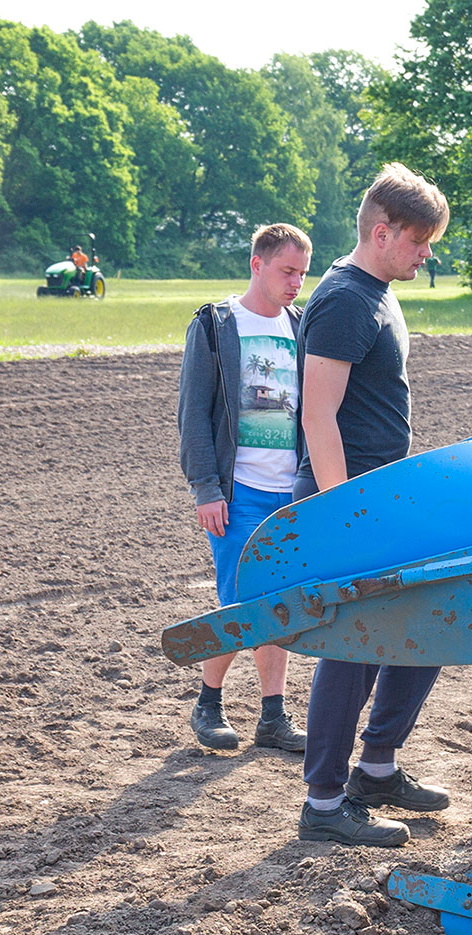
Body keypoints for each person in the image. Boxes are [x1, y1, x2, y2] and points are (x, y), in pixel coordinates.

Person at [294, 163, 454, 848]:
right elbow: (318, 416)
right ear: (382, 231)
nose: (427, 254)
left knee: (433, 620)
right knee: (353, 645)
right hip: (349, 500)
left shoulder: (379, 292)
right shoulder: (344, 300)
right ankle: (324, 803)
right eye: (420, 242)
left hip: (383, 497)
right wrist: (342, 515)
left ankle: (378, 767)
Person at [178, 223, 314, 754]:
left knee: (278, 603)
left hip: (292, 491)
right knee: (243, 604)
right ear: (256, 264)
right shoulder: (216, 324)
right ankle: (208, 703)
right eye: (287, 271)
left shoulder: (301, 325)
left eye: (302, 273)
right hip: (239, 493)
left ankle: (273, 717)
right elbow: (193, 412)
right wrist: (206, 487)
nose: (295, 283)